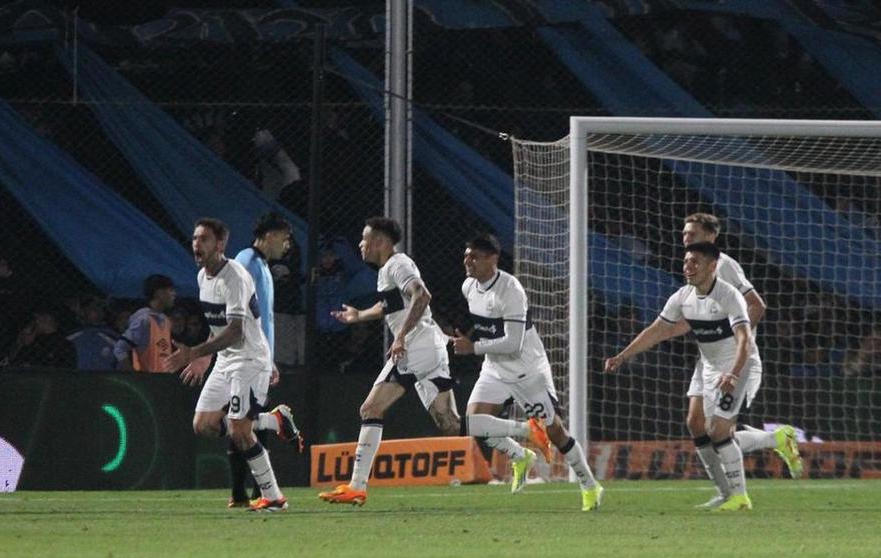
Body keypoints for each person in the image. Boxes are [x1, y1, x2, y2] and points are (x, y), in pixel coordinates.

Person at [446, 235, 602, 508]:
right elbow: (488, 327)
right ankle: (521, 452)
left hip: (526, 370)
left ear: (492, 259)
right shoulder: (468, 287)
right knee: (473, 423)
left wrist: (473, 347)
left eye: (475, 257)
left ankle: (590, 486)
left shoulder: (511, 290)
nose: (467, 261)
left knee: (556, 433)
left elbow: (513, 342)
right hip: (494, 368)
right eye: (466, 255)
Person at [317, 217, 461, 506]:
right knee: (449, 424)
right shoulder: (388, 270)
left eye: (364, 238)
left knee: (370, 407)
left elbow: (422, 295)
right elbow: (390, 305)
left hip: (417, 345)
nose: (360, 244)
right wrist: (359, 315)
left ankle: (357, 486)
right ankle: (518, 439)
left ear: (380, 242)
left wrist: (401, 337)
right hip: (429, 346)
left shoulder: (398, 264)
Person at [605, 242, 758, 511]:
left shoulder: (729, 296)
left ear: (712, 267)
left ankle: (740, 497)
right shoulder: (682, 297)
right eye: (686, 262)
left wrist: (733, 374)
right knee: (701, 426)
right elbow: (657, 330)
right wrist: (623, 356)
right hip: (709, 367)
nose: (688, 267)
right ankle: (731, 487)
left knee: (719, 430)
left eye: (695, 262)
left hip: (736, 365)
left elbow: (745, 340)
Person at [163, 217, 289, 512]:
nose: (196, 244)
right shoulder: (202, 278)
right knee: (204, 425)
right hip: (226, 359)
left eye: (204, 239)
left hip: (249, 359)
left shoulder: (236, 275)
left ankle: (273, 497)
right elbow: (219, 327)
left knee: (239, 430)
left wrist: (194, 353)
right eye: (195, 238)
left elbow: (235, 331)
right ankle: (272, 420)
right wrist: (206, 356)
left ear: (220, 245)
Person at [682, 213, 802, 484]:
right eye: (684, 233)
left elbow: (757, 305)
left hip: (732, 359)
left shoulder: (723, 265)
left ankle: (768, 447)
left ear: (711, 236)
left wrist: (735, 340)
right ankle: (774, 441)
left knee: (719, 432)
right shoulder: (692, 266)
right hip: (708, 360)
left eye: (693, 234)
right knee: (696, 423)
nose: (686, 238)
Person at [222, 212, 303, 507]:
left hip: (258, 356)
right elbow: (235, 304)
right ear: (270, 235)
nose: (287, 244)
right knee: (241, 419)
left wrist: (269, 358)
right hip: (243, 355)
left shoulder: (264, 267)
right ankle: (247, 491)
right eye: (285, 237)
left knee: (244, 418)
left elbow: (264, 318)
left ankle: (248, 492)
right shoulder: (247, 260)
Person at [114, 274, 177, 372]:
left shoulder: (165, 321)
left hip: (164, 381)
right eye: (170, 290)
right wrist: (132, 376)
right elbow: (120, 348)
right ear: (159, 293)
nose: (174, 294)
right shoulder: (143, 320)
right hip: (146, 381)